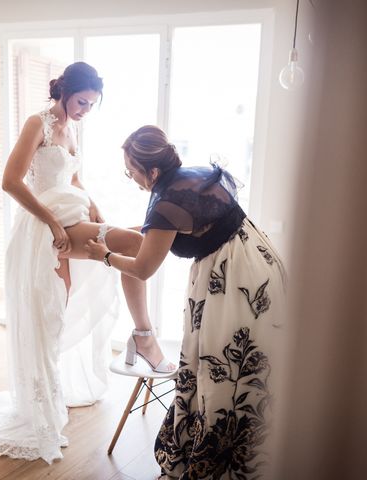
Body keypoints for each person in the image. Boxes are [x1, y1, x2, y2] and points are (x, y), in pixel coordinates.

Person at [0, 63, 173, 465]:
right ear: (65, 92)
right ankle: (143, 336)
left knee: (121, 253)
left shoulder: (72, 130)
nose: (85, 110)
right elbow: (11, 181)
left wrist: (98, 213)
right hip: (47, 224)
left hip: (74, 215)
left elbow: (74, 181)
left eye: (92, 105)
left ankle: (141, 335)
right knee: (132, 247)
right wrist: (51, 222)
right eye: (82, 102)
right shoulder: (37, 123)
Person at [84, 125, 287, 478]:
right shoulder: (197, 175)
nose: (131, 178)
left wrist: (104, 256)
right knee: (253, 363)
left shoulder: (165, 202)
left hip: (232, 282)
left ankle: (223, 458)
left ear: (153, 171)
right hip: (260, 263)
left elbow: (144, 268)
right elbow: (165, 230)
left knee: (222, 363)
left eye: (131, 171)